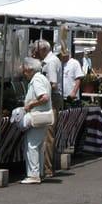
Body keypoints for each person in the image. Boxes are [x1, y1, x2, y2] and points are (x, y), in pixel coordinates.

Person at [20, 57, 52, 184]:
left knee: (32, 145)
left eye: (24, 69)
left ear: (29, 68)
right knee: (38, 145)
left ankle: (33, 174)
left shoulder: (37, 80)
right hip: (42, 116)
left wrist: (30, 105)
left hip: (38, 116)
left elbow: (44, 97)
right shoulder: (42, 78)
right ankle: (38, 172)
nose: (23, 72)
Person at [33, 39, 62, 178]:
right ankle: (48, 166)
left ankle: (48, 168)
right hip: (54, 98)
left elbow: (53, 84)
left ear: (43, 49)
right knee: (50, 133)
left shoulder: (50, 62)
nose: (35, 53)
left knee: (49, 134)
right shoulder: (52, 60)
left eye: (36, 50)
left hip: (52, 98)